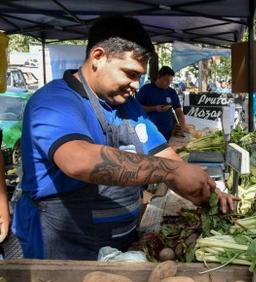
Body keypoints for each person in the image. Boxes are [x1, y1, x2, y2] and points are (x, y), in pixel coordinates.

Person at [12, 15, 234, 260]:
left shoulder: (128, 106)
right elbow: (79, 160)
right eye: (130, 73)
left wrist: (208, 190)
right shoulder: (54, 101)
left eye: (140, 76)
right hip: (65, 250)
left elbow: (163, 154)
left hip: (122, 245)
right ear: (98, 57)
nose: (136, 85)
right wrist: (170, 171)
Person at [137, 66, 190, 141]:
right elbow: (137, 108)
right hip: (148, 132)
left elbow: (178, 111)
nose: (169, 83)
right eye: (166, 80)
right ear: (159, 77)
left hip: (168, 133)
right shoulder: (146, 89)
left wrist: (182, 126)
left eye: (170, 81)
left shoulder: (172, 92)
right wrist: (155, 108)